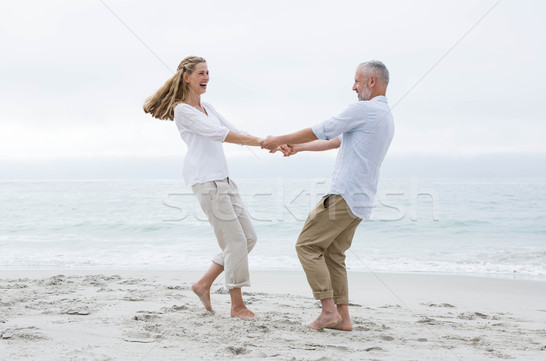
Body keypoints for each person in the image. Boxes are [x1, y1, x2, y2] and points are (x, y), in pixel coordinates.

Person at [262, 60, 394, 330]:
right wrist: (298, 148)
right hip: (362, 199)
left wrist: (278, 139)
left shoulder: (365, 110)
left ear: (372, 81)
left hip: (344, 194)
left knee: (307, 246)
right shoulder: (384, 116)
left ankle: (328, 311)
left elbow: (324, 128)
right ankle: (343, 319)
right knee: (334, 254)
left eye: (357, 81)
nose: (353, 87)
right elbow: (337, 140)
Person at [144, 56, 263, 319]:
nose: (206, 77)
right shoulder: (182, 110)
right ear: (187, 77)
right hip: (206, 181)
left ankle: (203, 284)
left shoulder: (207, 106)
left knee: (248, 238)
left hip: (225, 180)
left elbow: (231, 129)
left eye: (208, 72)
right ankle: (237, 306)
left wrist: (268, 142)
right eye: (201, 73)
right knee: (234, 242)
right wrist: (263, 142)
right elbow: (216, 133)